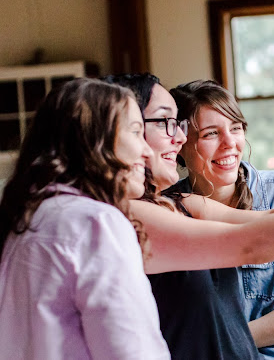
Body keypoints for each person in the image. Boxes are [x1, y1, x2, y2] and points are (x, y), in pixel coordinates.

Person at [104, 73, 274, 359]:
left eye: (235, 128)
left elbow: (269, 222)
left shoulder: (187, 200)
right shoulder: (134, 213)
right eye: (210, 133)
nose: (229, 143)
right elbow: (254, 242)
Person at [0, 79, 170, 359]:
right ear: (94, 139)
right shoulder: (97, 223)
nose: (147, 151)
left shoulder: (23, 219)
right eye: (136, 132)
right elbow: (131, 350)